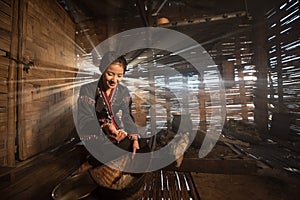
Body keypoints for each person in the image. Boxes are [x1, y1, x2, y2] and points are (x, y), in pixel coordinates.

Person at [76, 51, 147, 173]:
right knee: (119, 146)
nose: (114, 80)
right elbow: (84, 119)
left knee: (141, 143)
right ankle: (90, 163)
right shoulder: (88, 90)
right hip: (93, 130)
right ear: (102, 70)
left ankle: (99, 160)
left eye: (119, 76)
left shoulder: (123, 91)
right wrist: (104, 127)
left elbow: (127, 116)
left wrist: (134, 139)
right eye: (110, 74)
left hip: (115, 130)